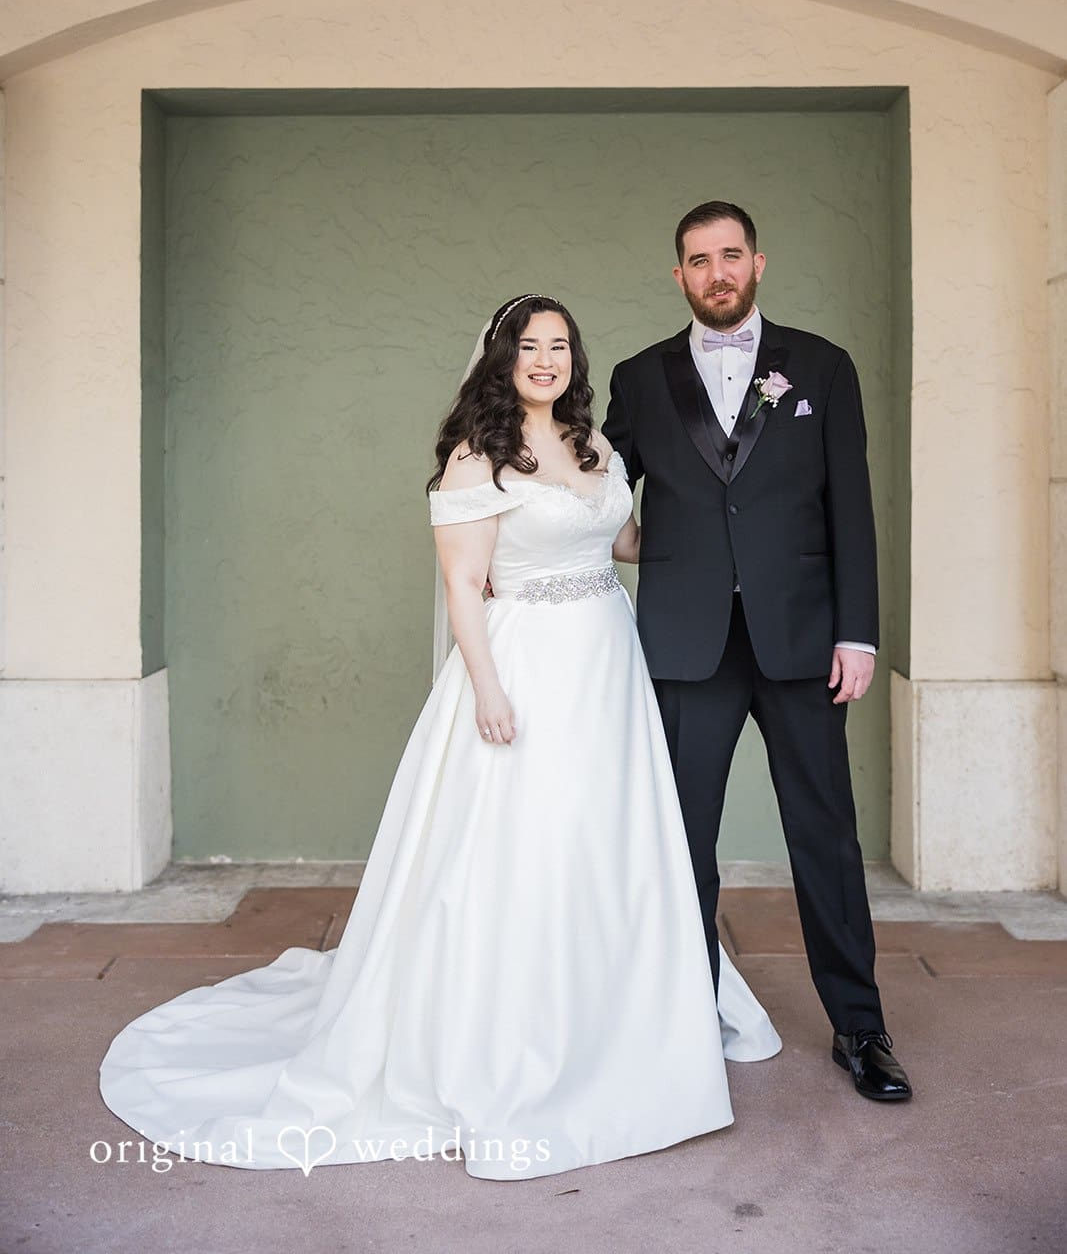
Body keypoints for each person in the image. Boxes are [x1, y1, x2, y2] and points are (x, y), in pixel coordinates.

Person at [98, 293, 781, 1183]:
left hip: (606, 665)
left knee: (602, 842)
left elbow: (626, 542)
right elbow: (465, 588)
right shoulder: (476, 457)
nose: (546, 360)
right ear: (500, 359)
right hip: (523, 667)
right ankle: (514, 1037)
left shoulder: (594, 446)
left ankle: (614, 1013)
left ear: (576, 359)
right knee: (520, 845)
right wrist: (489, 692)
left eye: (559, 346)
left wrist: (736, 521)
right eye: (528, 347)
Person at [602, 205, 912, 1103]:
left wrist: (856, 632)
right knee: (678, 842)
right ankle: (681, 1017)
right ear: (679, 278)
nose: (716, 272)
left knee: (825, 835)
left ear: (757, 262)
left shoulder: (821, 366)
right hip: (683, 646)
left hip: (802, 643)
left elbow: (849, 506)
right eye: (697, 261)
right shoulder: (637, 377)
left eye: (729, 255)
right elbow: (596, 485)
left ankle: (861, 1029)